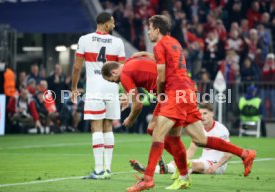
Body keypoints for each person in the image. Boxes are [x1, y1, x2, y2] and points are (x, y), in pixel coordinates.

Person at [124, 15, 255, 191]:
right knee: (198, 139)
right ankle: (244, 154)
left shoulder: (159, 45)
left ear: (157, 29)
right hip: (188, 90)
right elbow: (169, 62)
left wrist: (162, 95)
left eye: (149, 27)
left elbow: (161, 76)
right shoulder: (174, 42)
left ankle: (148, 179)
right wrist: (147, 55)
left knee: (157, 133)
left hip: (175, 92)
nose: (148, 31)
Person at [71, 12, 125, 180]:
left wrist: (73, 87)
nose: (114, 25)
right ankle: (107, 170)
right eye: (113, 22)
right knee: (108, 126)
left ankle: (99, 170)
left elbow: (77, 67)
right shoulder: (118, 42)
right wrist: (123, 92)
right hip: (112, 88)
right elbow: (123, 71)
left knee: (96, 127)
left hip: (95, 88)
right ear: (105, 23)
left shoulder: (84, 39)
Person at [129, 103, 233, 176]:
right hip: (203, 161)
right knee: (183, 162)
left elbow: (229, 154)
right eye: (200, 114)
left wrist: (216, 166)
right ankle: (150, 170)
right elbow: (191, 150)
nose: (202, 117)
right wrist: (179, 159)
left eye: (205, 113)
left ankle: (165, 169)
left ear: (212, 114)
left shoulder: (221, 130)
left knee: (192, 165)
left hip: (217, 165)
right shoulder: (199, 129)